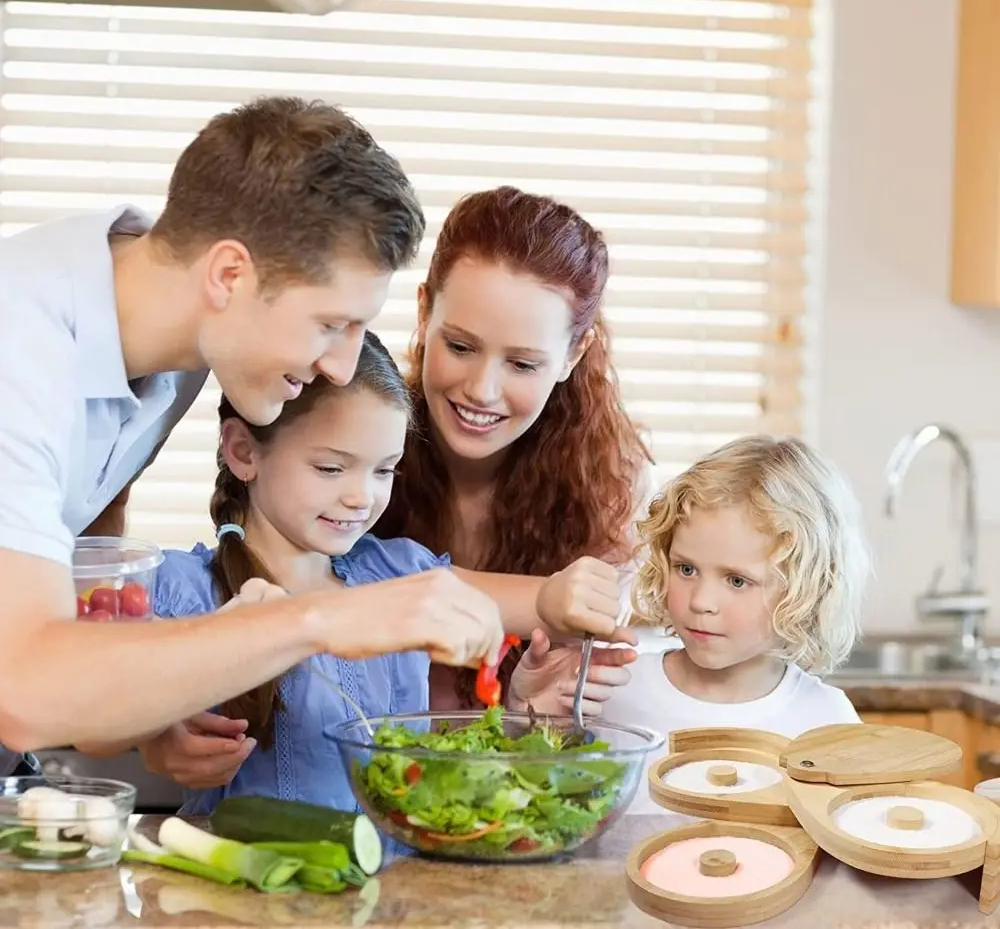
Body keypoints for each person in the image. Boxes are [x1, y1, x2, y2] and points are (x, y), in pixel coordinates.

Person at [0, 101, 614, 756]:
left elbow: (87, 508)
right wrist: (325, 616)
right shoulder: (21, 355)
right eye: (331, 324)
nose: (342, 363)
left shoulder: (170, 326)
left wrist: (140, 702)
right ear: (230, 275)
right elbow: (25, 694)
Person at [85, 332, 633, 812]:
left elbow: (538, 604)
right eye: (330, 467)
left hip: (398, 887)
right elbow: (94, 712)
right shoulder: (181, 588)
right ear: (243, 452)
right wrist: (158, 730)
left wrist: (569, 598)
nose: (361, 497)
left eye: (384, 470)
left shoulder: (398, 572)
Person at [376, 185, 655, 710]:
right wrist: (541, 602)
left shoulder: (613, 488)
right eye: (460, 346)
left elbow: (551, 740)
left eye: (523, 364)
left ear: (574, 354)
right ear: (423, 311)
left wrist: (526, 718)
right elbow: (332, 597)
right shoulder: (352, 437)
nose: (481, 390)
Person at [600, 435, 873, 814]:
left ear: (806, 589)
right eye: (686, 569)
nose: (701, 602)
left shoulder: (828, 722)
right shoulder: (612, 690)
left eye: (737, 581)